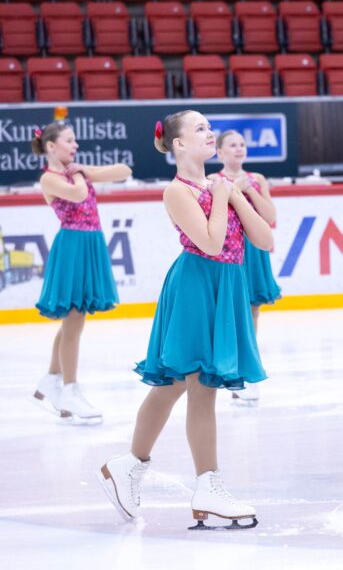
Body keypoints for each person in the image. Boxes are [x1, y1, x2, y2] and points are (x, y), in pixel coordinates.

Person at [97, 111, 272, 530]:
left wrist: (232, 195)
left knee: (173, 384)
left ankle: (128, 465)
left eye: (209, 127)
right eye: (199, 129)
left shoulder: (219, 185)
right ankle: (207, 487)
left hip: (226, 286)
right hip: (196, 287)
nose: (209, 133)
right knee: (200, 387)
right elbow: (210, 242)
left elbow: (265, 239)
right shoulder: (177, 191)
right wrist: (224, 197)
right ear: (178, 144)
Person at [32, 119, 132, 423]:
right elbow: (76, 195)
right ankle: (70, 389)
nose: (76, 146)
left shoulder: (77, 172)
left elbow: (124, 171)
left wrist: (86, 171)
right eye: (69, 141)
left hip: (90, 242)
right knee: (74, 316)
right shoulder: (49, 178)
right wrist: (80, 174)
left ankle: (52, 380)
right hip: (72, 244)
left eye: (75, 141)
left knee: (74, 317)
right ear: (51, 146)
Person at [215, 130, 281, 407]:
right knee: (230, 309)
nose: (239, 149)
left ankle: (247, 367)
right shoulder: (214, 182)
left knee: (252, 309)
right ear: (219, 152)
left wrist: (249, 189)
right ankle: (228, 367)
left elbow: (270, 217)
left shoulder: (257, 179)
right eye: (232, 145)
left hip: (254, 250)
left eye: (242, 144)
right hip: (229, 250)